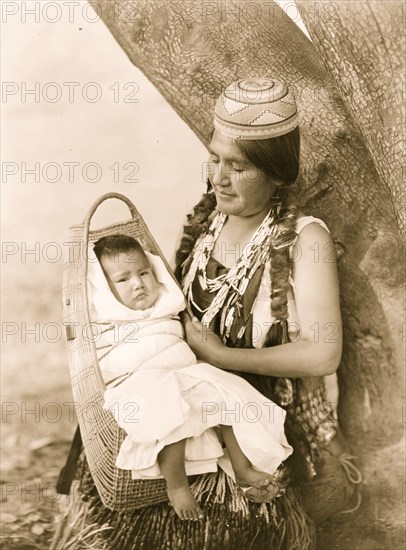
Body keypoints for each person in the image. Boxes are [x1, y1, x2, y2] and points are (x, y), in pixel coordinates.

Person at [55, 77, 361, 549]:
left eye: (238, 166)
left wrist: (220, 356)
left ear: (277, 172)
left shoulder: (305, 238)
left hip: (250, 410)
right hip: (177, 392)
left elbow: (322, 355)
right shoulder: (209, 219)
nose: (219, 177)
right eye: (216, 158)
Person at [88, 234, 292, 521]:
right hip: (140, 383)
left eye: (144, 273)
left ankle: (243, 468)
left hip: (185, 372)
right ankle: (178, 485)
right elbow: (106, 360)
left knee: (230, 392)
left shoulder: (166, 305)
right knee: (169, 412)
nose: (138, 283)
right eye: (123, 280)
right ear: (104, 290)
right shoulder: (105, 320)